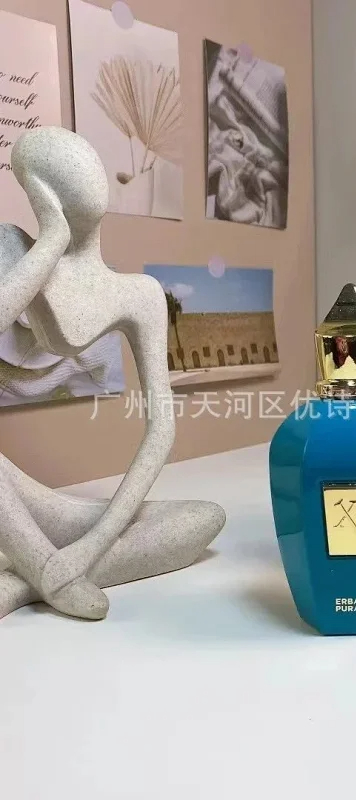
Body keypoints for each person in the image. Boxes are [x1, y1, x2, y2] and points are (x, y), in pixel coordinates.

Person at [0, 127, 224, 621]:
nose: (88, 175)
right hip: (11, 492)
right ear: (39, 191)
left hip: (60, 520)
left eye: (86, 161)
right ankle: (46, 569)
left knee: (204, 518)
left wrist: (91, 546)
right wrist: (52, 239)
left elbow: (161, 430)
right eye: (59, 167)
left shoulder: (139, 293)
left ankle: (26, 580)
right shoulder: (17, 251)